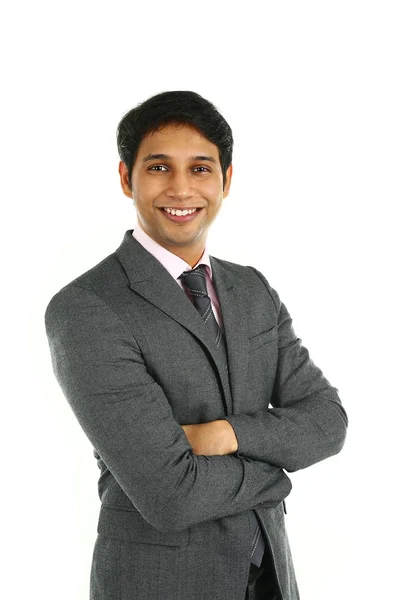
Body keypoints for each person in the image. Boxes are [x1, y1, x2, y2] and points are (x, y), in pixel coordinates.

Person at [44, 90, 348, 600]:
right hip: (161, 586)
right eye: (159, 167)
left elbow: (328, 422)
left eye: (201, 169)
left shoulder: (251, 288)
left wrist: (225, 434)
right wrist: (278, 474)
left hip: (272, 579)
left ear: (226, 180)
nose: (181, 188)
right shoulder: (87, 308)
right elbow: (171, 496)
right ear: (127, 178)